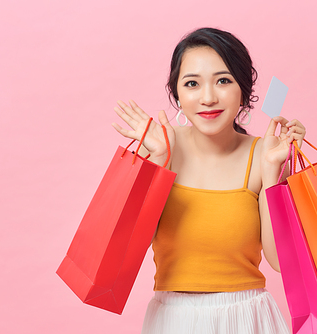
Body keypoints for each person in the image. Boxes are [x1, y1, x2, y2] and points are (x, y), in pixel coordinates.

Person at [112, 27, 306, 334]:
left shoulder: (264, 154)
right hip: (173, 321)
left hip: (247, 319)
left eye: (223, 81)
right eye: (192, 83)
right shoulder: (162, 146)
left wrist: (272, 173)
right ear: (177, 93)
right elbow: (127, 251)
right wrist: (159, 162)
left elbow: (282, 262)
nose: (208, 97)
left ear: (243, 89)